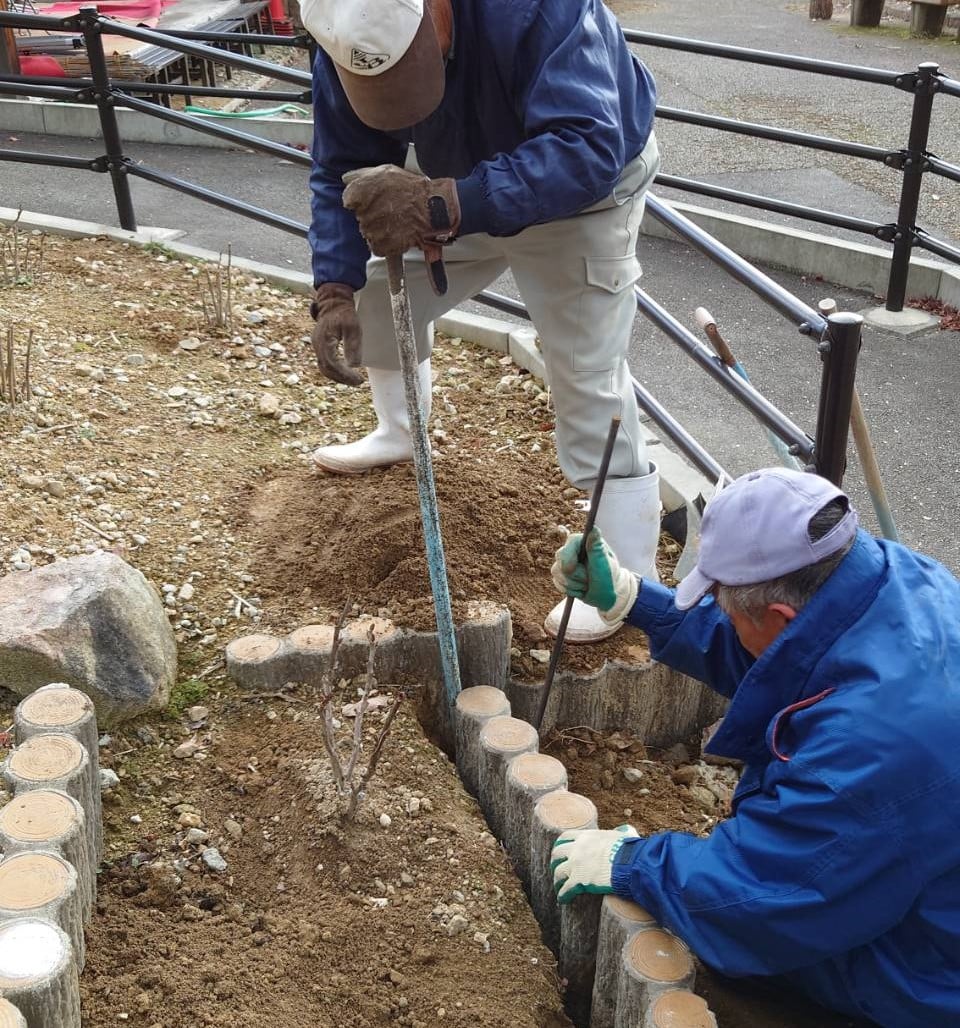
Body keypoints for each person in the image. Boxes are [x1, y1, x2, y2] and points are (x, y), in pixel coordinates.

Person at [301, 0, 662, 642]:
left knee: (585, 372)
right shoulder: (342, 20)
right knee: (380, 290)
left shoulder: (539, 11)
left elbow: (588, 146)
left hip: (581, 197)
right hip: (455, 185)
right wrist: (333, 287)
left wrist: (448, 204)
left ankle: (626, 577)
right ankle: (400, 429)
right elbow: (340, 167)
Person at [549, 467, 960, 1028]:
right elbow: (783, 656)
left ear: (778, 615)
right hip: (923, 858)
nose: (719, 613)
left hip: (933, 967)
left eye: (722, 605)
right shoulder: (887, 578)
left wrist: (636, 864)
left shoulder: (866, 751)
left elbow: (767, 898)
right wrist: (633, 599)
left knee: (755, 961)